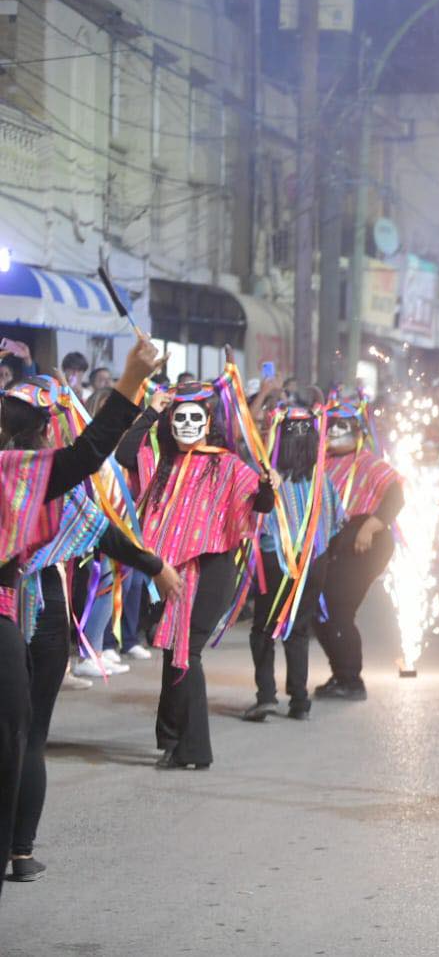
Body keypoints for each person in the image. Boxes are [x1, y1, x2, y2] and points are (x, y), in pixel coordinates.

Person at [0, 334, 161, 904]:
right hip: (25, 606)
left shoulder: (33, 472)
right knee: (26, 737)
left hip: (27, 604)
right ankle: (18, 851)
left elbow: (101, 521)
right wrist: (130, 381)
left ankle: (17, 850)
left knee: (23, 736)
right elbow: (97, 491)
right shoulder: (35, 473)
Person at [118, 380, 276, 770]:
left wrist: (269, 487)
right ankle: (171, 740)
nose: (188, 425)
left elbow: (261, 503)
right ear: (170, 423)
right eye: (180, 417)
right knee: (174, 653)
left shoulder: (226, 463)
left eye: (196, 418)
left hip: (211, 569)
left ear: (208, 423)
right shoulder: (161, 462)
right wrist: (151, 410)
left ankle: (194, 750)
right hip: (170, 571)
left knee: (187, 652)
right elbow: (124, 452)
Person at [243, 405, 343, 723]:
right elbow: (337, 521)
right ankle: (299, 701)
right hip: (315, 562)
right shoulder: (322, 481)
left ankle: (266, 696)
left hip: (275, 562)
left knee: (264, 628)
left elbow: (252, 519)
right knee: (298, 630)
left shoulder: (267, 479)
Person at [314, 401, 403, 701]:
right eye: (331, 427)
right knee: (322, 611)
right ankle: (341, 674)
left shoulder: (368, 463)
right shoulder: (322, 461)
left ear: (357, 433)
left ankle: (351, 680)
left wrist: (371, 527)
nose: (335, 433)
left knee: (339, 609)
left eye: (343, 427)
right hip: (335, 541)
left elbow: (396, 496)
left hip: (364, 539)